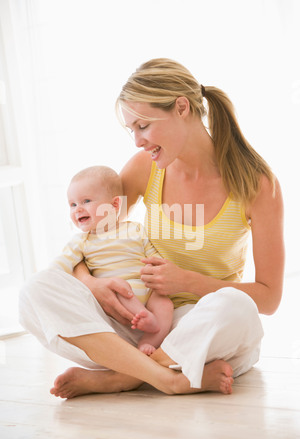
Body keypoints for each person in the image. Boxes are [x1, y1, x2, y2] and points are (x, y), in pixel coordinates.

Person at [19, 58, 284, 399]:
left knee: (236, 307)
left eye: (143, 125)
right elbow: (89, 238)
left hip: (204, 326)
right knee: (36, 290)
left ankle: (122, 377)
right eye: (131, 129)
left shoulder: (258, 184)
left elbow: (269, 298)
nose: (137, 141)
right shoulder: (146, 167)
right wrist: (92, 284)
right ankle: (169, 376)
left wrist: (189, 282)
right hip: (139, 322)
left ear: (182, 108)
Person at [51, 165, 174, 355]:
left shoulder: (135, 229)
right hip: (116, 295)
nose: (78, 209)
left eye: (86, 201)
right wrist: (51, 276)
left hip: (147, 291)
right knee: (118, 286)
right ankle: (145, 318)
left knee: (165, 304)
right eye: (73, 204)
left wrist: (159, 269)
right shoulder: (82, 241)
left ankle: (151, 339)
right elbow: (63, 262)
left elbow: (152, 253)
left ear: (115, 205)